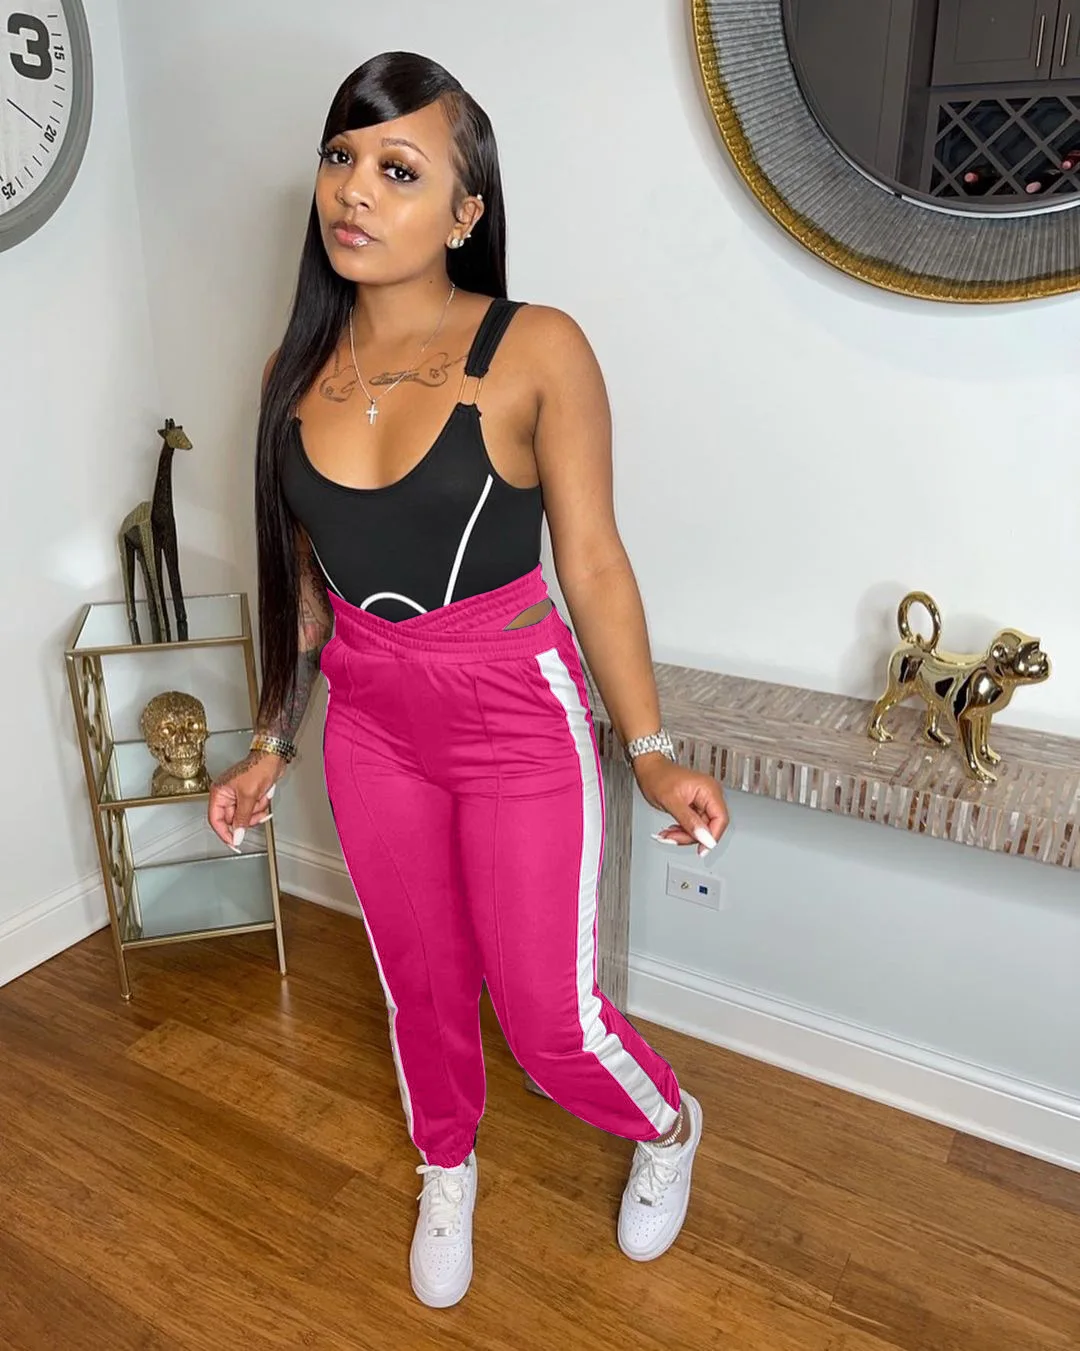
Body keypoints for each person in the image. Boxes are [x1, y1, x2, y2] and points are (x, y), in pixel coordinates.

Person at [208, 50, 730, 1309]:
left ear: (464, 213)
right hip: (371, 724)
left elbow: (592, 561)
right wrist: (273, 739)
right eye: (341, 157)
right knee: (421, 982)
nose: (355, 189)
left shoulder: (534, 347)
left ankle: (667, 1125)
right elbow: (304, 593)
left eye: (399, 169)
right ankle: (447, 1161)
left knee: (549, 1022)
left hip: (513, 715)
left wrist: (650, 747)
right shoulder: (291, 376)